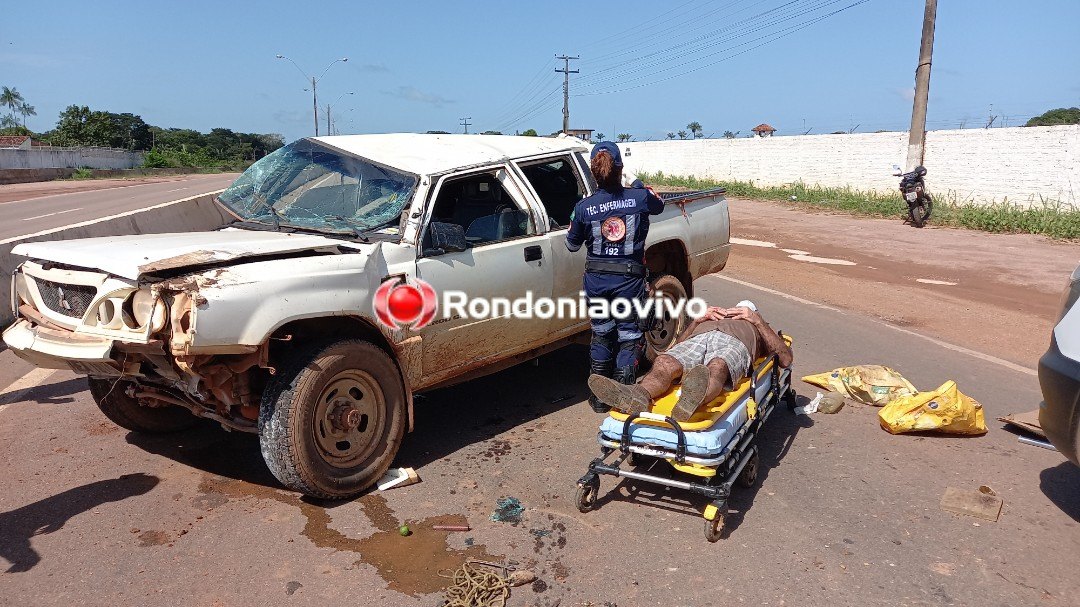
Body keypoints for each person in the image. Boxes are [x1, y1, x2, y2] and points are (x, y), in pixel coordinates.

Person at [566, 142, 665, 413]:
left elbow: (572, 245)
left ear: (593, 172)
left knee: (601, 334)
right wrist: (637, 181)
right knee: (629, 336)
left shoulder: (583, 207)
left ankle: (599, 397)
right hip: (629, 283)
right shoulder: (639, 197)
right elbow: (659, 203)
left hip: (596, 283)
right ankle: (623, 398)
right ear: (619, 168)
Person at [587, 300, 794, 422]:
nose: (737, 310)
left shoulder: (758, 328)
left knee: (718, 366)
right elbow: (676, 346)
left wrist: (756, 320)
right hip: (700, 337)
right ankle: (637, 396)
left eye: (746, 309)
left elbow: (785, 359)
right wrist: (697, 321)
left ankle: (693, 398)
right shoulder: (710, 319)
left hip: (734, 343)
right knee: (665, 362)